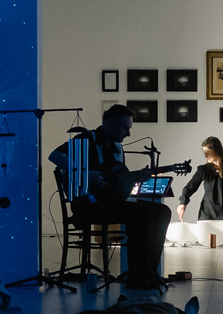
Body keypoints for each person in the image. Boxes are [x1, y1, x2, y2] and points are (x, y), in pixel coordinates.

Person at [49, 105, 173, 292]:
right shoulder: (85, 140)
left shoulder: (117, 148)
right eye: (125, 128)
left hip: (110, 202)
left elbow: (116, 180)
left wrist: (136, 178)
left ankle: (148, 272)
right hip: (87, 205)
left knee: (162, 211)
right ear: (110, 123)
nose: (128, 133)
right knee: (139, 213)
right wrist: (85, 174)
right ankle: (137, 277)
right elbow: (54, 155)